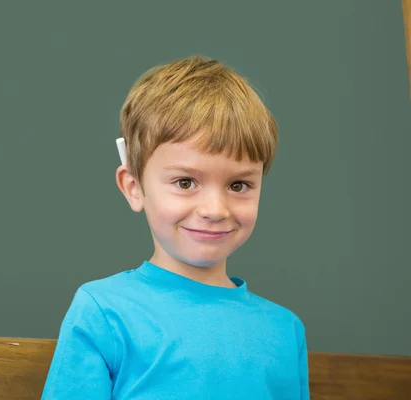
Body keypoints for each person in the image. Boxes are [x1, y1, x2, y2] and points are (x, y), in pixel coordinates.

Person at [42, 55, 310, 400]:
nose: (215, 210)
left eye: (239, 185)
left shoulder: (284, 331)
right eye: (185, 183)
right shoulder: (103, 311)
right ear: (134, 187)